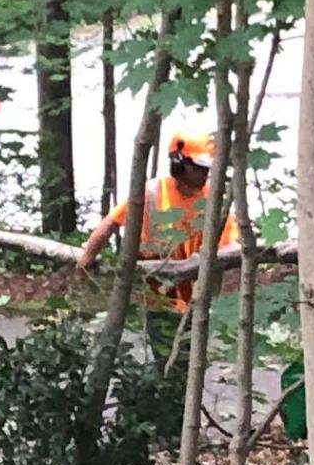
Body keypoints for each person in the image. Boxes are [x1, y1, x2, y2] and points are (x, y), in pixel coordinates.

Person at [76, 125, 237, 365]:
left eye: (207, 168)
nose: (204, 174)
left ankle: (170, 398)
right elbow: (110, 223)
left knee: (186, 363)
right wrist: (87, 259)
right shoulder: (152, 192)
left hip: (196, 295)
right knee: (170, 360)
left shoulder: (213, 199)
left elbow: (232, 244)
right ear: (179, 163)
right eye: (198, 167)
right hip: (158, 295)